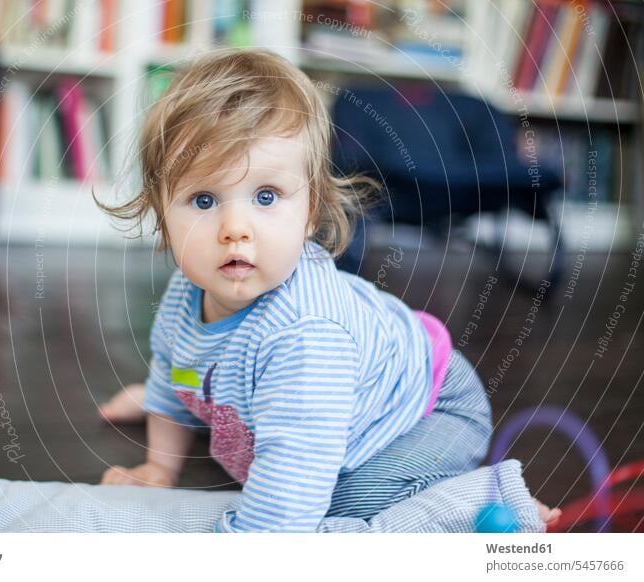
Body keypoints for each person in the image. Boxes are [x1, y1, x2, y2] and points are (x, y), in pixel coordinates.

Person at [96, 48, 560, 532]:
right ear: (162, 214)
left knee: (343, 502)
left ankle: (477, 499)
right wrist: (158, 469)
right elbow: (181, 373)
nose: (235, 228)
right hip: (326, 397)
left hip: (426, 412)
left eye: (266, 196)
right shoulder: (182, 297)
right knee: (180, 390)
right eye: (204, 199)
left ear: (311, 210)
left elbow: (282, 516)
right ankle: (185, 402)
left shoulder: (306, 333)